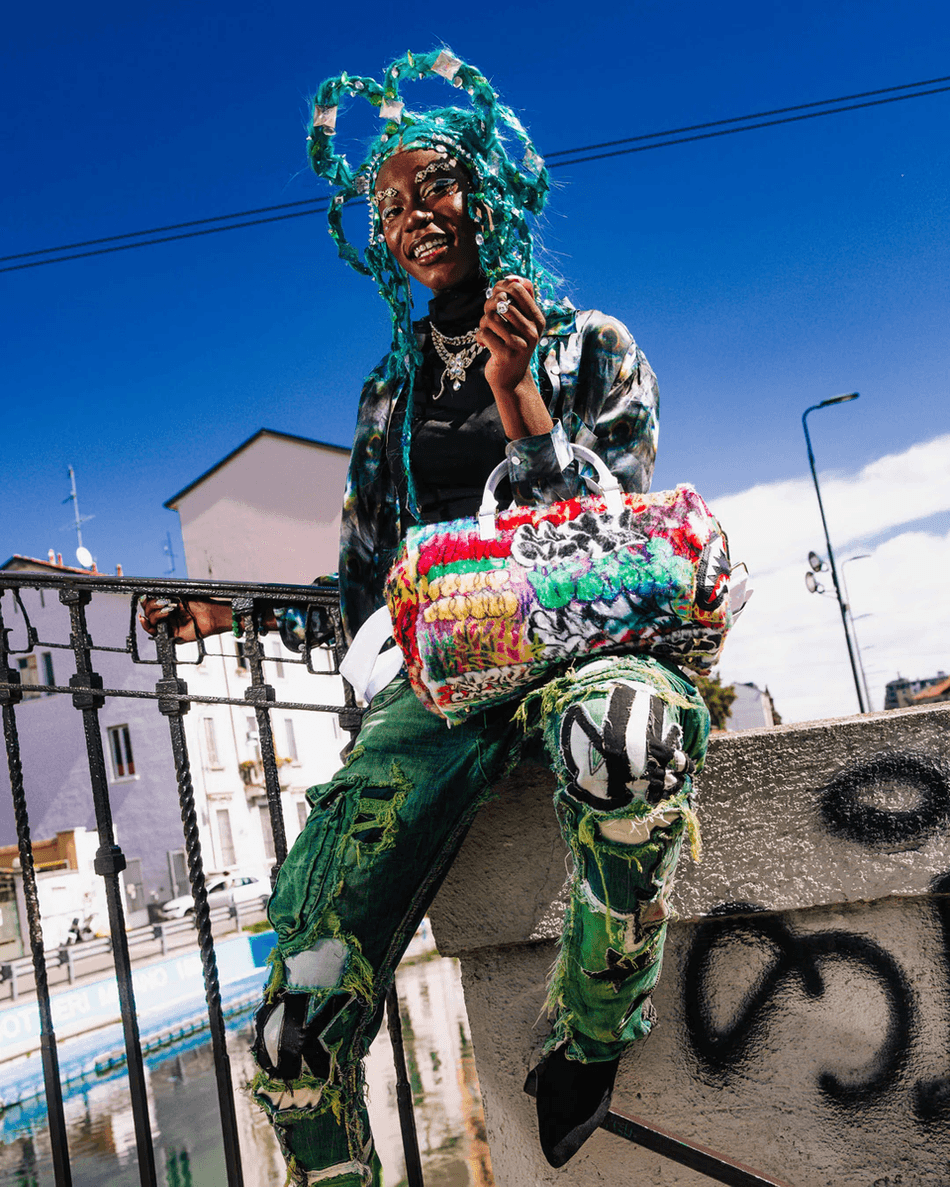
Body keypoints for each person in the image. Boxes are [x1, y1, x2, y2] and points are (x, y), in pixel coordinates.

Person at [141, 49, 711, 1187]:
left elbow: (613, 535)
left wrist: (519, 394)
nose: (413, 217)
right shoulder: (388, 392)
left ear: (486, 189)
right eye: (390, 205)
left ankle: (594, 1026)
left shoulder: (593, 345)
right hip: (438, 675)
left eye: (435, 186)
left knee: (628, 737)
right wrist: (228, 613)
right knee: (291, 1031)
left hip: (584, 641)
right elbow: (368, 579)